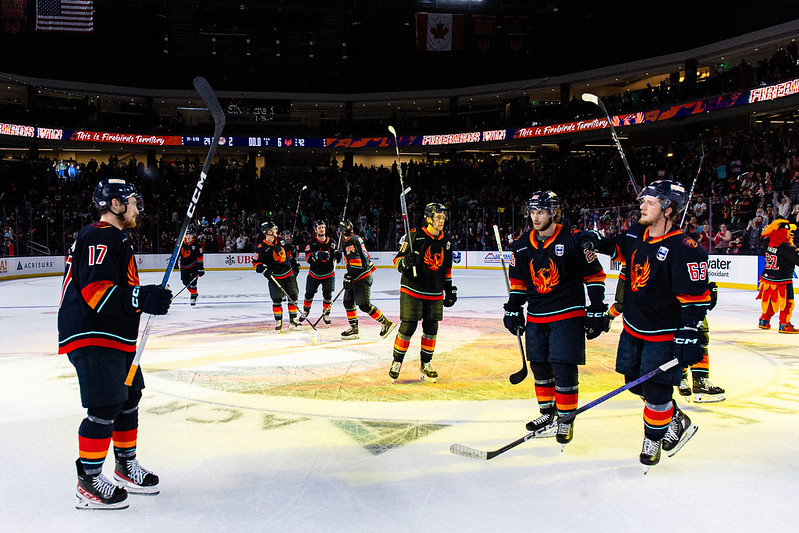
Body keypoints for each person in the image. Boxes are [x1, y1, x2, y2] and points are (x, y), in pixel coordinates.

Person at [577, 180, 712, 469]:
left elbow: (696, 299)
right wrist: (596, 241)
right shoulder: (638, 233)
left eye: (650, 202)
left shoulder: (685, 248)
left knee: (656, 391)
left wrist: (690, 332)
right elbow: (618, 248)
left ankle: (653, 438)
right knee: (634, 385)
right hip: (634, 328)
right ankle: (675, 417)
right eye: (643, 201)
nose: (642, 206)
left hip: (664, 334)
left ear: (668, 208)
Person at [58, 178, 172, 510]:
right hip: (93, 335)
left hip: (116, 336)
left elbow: (120, 293)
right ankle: (89, 482)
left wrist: (144, 297)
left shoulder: (115, 238)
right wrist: (140, 296)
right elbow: (96, 293)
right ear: (116, 205)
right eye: (133, 202)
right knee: (105, 405)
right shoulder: (99, 235)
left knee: (128, 398)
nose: (138, 208)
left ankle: (124, 467)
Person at [503, 191, 607, 447]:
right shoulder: (522, 245)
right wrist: (514, 307)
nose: (535, 217)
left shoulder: (574, 240)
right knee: (539, 366)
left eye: (541, 212)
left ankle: (566, 418)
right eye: (533, 212)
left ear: (554, 212)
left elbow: (594, 276)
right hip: (537, 315)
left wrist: (596, 307)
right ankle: (548, 414)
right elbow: (518, 281)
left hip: (568, 315)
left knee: (563, 367)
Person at [390, 203, 458, 383]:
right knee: (408, 327)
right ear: (428, 218)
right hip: (412, 289)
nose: (442, 221)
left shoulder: (447, 240)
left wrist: (449, 288)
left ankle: (426, 363)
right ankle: (397, 362)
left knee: (431, 328)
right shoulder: (415, 236)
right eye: (438, 217)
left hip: (435, 291)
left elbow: (447, 267)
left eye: (443, 218)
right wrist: (406, 262)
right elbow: (397, 260)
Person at [339, 219, 396, 340]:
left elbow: (356, 264)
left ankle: (386, 323)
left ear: (342, 232)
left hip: (361, 276)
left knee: (364, 305)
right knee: (348, 302)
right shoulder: (356, 238)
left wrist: (348, 276)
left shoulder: (349, 242)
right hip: (359, 275)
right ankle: (354, 329)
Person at [253, 222, 301, 332]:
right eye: (273, 228)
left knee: (293, 296)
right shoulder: (261, 247)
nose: (275, 229)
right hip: (275, 276)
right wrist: (264, 270)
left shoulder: (281, 240)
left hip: (288, 274)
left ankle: (293, 319)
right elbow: (256, 264)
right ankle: (278, 320)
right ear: (268, 232)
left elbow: (289, 254)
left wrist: (293, 253)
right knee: (277, 299)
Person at [756, 219, 799, 333]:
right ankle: (784, 324)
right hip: (783, 280)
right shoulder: (787, 248)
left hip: (768, 278)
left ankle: (764, 320)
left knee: (769, 301)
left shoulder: (766, 242)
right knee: (787, 302)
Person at [302, 220, 342, 325]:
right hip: (314, 274)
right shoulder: (311, 243)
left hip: (328, 274)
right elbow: (307, 258)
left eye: (322, 227)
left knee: (327, 295)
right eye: (319, 227)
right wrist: (316, 255)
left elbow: (336, 257)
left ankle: (326, 313)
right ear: (315, 230)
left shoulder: (332, 242)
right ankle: (306, 311)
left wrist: (338, 256)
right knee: (309, 294)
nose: (321, 229)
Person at [179, 225, 204, 306]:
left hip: (193, 265)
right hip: (183, 265)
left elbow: (200, 257)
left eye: (190, 234)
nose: (188, 236)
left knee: (193, 282)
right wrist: (175, 263)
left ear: (193, 235)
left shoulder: (197, 244)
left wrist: (201, 269)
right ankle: (195, 294)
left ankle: (193, 297)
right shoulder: (181, 242)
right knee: (185, 281)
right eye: (187, 234)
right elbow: (177, 254)